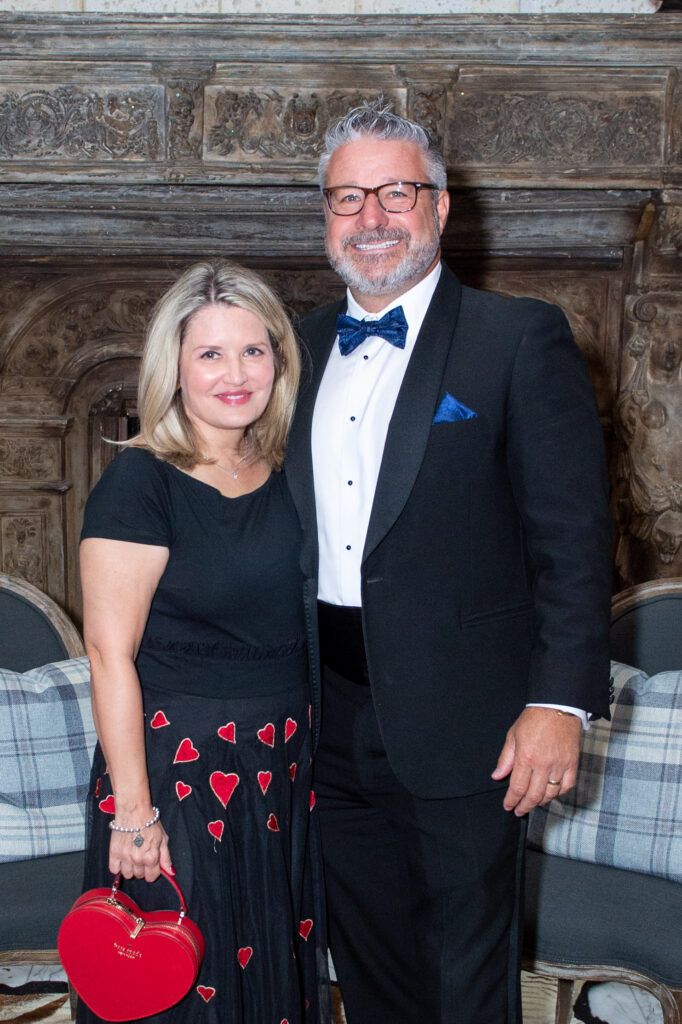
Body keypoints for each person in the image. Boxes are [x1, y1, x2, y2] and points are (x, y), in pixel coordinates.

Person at [285, 101, 613, 1023]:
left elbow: (574, 540)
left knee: (467, 987)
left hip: (472, 724)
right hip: (324, 719)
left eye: (396, 191)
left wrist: (559, 704)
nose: (373, 217)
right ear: (325, 216)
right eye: (349, 198)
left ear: (440, 208)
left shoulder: (519, 338)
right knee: (374, 974)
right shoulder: (292, 350)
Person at [78, 260, 330, 1024]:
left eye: (253, 351)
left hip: (282, 768)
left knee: (267, 981)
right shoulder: (141, 483)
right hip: (176, 777)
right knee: (183, 987)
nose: (235, 373)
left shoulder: (294, 470)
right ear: (175, 368)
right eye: (210, 354)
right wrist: (133, 811)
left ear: (278, 362)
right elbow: (107, 654)